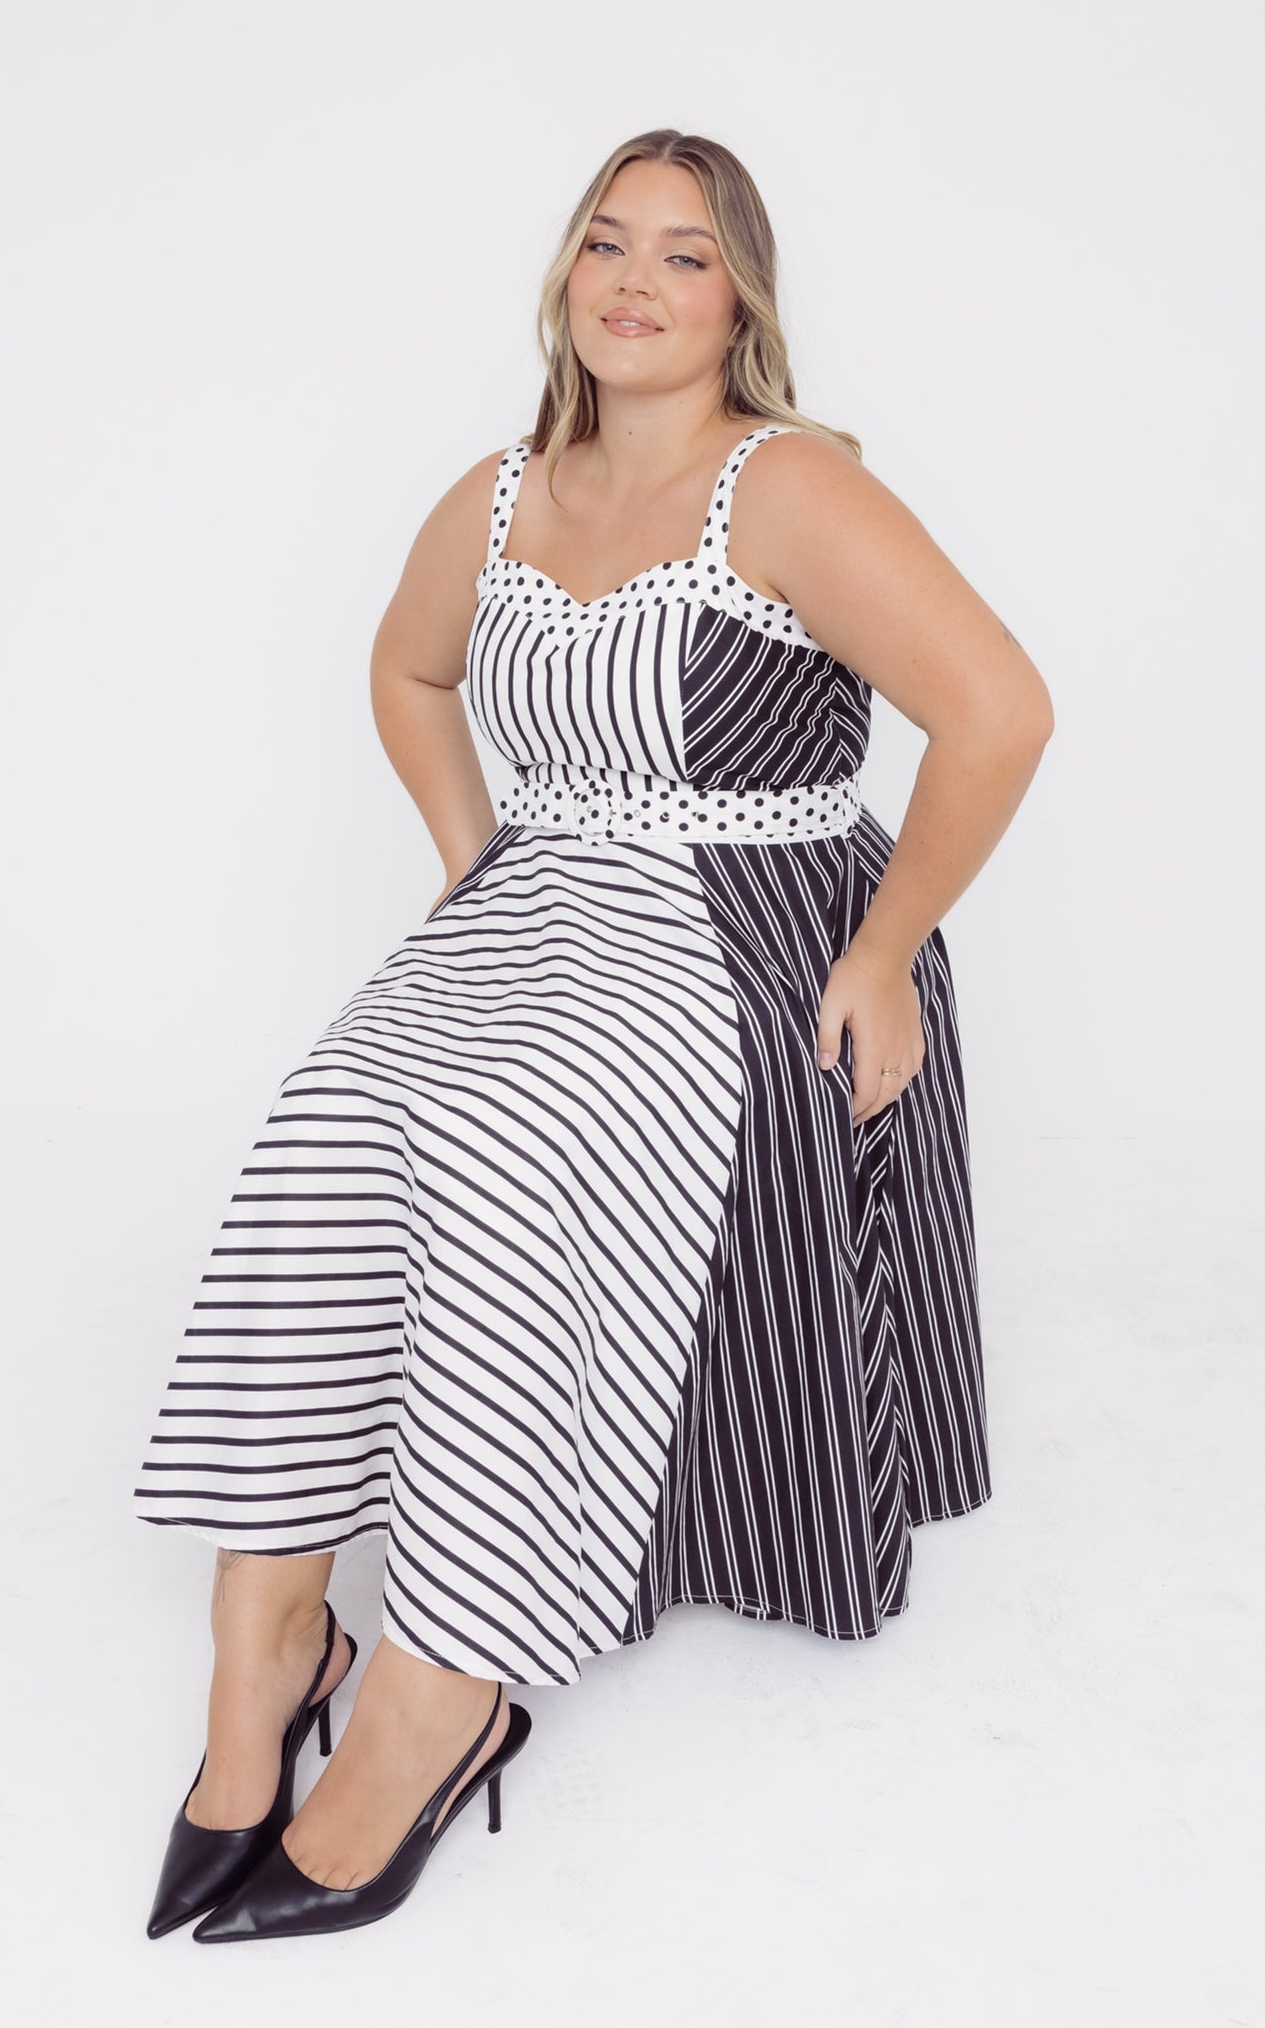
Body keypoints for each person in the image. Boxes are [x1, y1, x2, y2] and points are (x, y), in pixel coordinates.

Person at [134, 126, 1055, 1945]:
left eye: (685, 256)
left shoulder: (787, 489)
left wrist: (883, 958)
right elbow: (407, 672)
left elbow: (1001, 711)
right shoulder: (497, 492)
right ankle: (270, 1642)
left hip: (742, 924)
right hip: (544, 897)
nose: (635, 281)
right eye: (605, 244)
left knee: (493, 1145)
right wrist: (478, 856)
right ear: (564, 275)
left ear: (741, 301)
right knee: (328, 1115)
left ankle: (445, 1684)